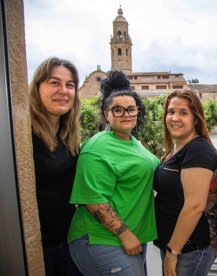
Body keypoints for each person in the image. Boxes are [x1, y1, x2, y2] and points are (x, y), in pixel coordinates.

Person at [68, 71, 159, 275]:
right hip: (102, 239)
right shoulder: (97, 147)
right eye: (117, 110)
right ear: (106, 113)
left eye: (131, 109)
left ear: (138, 111)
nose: (126, 114)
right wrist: (125, 235)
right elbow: (93, 200)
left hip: (131, 236)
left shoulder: (132, 141)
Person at [153, 90, 217, 276]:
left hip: (187, 249)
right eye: (171, 111)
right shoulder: (177, 147)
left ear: (196, 119)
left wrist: (173, 252)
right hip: (173, 244)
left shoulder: (198, 150)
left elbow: (195, 206)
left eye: (183, 113)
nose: (175, 118)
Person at [30, 57, 82, 276]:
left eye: (69, 85)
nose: (63, 90)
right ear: (37, 87)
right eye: (54, 82)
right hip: (39, 248)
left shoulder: (68, 135)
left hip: (69, 241)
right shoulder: (23, 136)